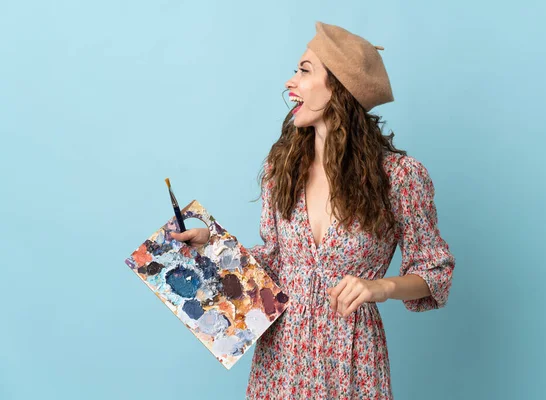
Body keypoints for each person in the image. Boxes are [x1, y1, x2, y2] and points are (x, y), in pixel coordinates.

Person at [172, 21, 455, 400]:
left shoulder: (400, 177)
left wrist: (379, 287)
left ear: (339, 87)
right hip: (282, 351)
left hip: (350, 354)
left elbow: (434, 272)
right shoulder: (281, 169)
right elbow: (275, 260)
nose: (291, 82)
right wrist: (213, 244)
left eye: (304, 71)